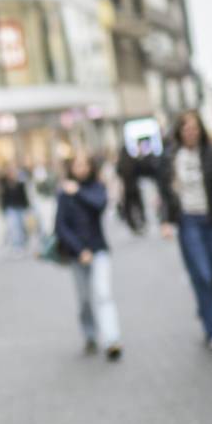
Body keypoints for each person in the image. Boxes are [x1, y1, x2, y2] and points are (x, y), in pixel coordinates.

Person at [158, 110, 212, 350]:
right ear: (179, 132)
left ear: (200, 129)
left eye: (194, 128)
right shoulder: (171, 157)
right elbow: (165, 193)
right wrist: (165, 221)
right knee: (201, 274)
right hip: (187, 221)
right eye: (186, 129)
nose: (191, 132)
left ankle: (204, 307)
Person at [54, 152, 122, 361]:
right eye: (77, 165)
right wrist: (79, 250)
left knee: (103, 294)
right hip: (77, 254)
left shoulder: (95, 188)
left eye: (85, 165)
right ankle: (90, 335)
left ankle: (112, 340)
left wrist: (79, 192)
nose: (81, 169)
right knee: (84, 300)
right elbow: (60, 227)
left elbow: (99, 205)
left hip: (99, 249)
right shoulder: (64, 194)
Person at [0, 165, 30, 251]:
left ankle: (23, 242)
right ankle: (17, 246)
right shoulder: (4, 183)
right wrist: (3, 209)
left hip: (20, 207)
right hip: (11, 208)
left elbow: (24, 196)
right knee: (14, 227)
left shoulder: (20, 183)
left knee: (22, 226)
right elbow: (3, 197)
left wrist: (27, 208)